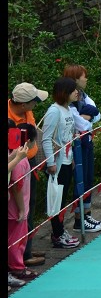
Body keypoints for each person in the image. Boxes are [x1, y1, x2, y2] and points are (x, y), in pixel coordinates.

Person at [8, 82, 48, 268]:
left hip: (28, 162)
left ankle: (26, 248)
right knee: (19, 210)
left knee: (29, 204)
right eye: (34, 101)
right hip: (14, 164)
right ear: (23, 104)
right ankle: (19, 256)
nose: (36, 105)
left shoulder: (27, 112)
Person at [40, 77, 81, 249]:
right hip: (57, 163)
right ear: (65, 93)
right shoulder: (54, 111)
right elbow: (46, 138)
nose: (77, 93)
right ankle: (57, 234)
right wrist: (50, 163)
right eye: (73, 90)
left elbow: (68, 132)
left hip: (68, 160)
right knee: (56, 200)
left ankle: (60, 230)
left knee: (62, 199)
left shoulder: (69, 109)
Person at [62, 64, 101, 232]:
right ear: (75, 80)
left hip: (88, 141)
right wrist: (88, 116)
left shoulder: (84, 96)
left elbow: (97, 114)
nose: (86, 79)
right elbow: (79, 123)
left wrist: (88, 115)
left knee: (88, 177)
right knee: (80, 180)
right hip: (76, 145)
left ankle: (87, 214)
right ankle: (79, 220)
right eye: (83, 76)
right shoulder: (67, 100)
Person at [8, 120, 38, 287]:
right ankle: (17, 268)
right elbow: (16, 185)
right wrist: (21, 209)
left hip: (17, 206)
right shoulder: (19, 160)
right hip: (16, 209)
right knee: (16, 241)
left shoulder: (16, 155)